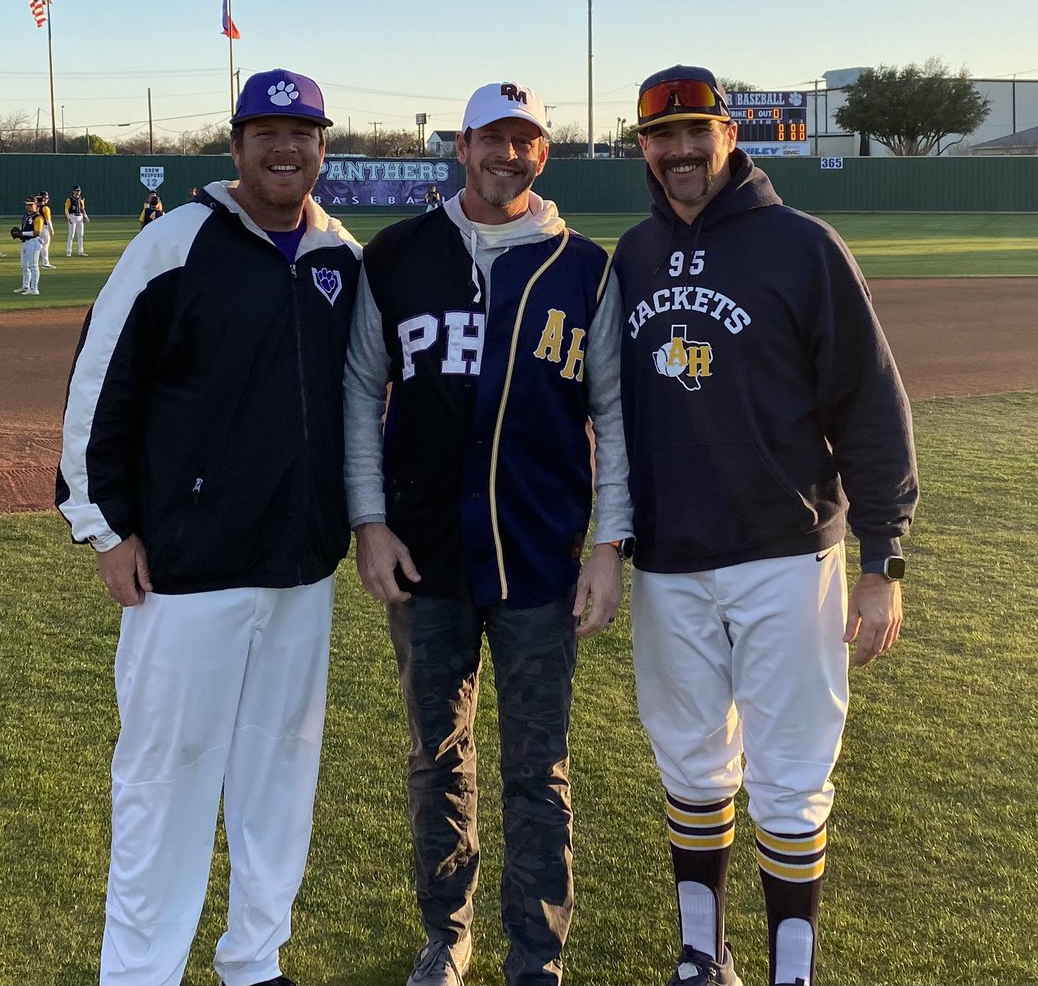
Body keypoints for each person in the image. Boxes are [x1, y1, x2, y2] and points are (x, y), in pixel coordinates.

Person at [612, 65, 918, 986]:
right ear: (643, 148)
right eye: (661, 138)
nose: (679, 153)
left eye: (695, 132)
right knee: (694, 767)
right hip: (669, 564)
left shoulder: (802, 245)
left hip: (790, 556)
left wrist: (883, 560)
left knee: (790, 776)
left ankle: (793, 969)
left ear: (728, 136)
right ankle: (701, 956)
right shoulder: (629, 254)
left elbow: (869, 403)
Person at [56, 66, 361, 986]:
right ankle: (141, 972)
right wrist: (105, 529)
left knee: (280, 776)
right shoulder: (174, 243)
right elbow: (97, 385)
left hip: (300, 571)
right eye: (265, 131)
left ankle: (254, 960)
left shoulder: (340, 257)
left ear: (321, 148)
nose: (284, 147)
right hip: (186, 573)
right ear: (236, 148)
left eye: (301, 132)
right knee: (165, 782)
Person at [344, 79, 631, 986]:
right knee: (436, 757)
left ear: (542, 154)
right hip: (424, 553)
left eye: (525, 141)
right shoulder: (397, 256)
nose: (508, 155)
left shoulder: (586, 267)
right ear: (458, 147)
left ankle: (536, 956)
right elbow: (360, 393)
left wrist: (608, 546)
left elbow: (615, 416)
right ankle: (447, 932)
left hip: (539, 554)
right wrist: (369, 522)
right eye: (490, 139)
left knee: (538, 767)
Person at [13, 195, 44, 295]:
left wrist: (22, 233)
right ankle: (26, 286)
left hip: (34, 242)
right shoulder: (26, 216)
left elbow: (37, 232)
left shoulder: (38, 217)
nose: (28, 206)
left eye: (30, 205)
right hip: (25, 242)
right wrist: (19, 233)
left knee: (33, 266)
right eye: (27, 205)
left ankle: (35, 288)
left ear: (36, 205)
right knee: (24, 266)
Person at [64, 184, 90, 256]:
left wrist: (86, 216)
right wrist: (68, 218)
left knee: (80, 235)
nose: (78, 192)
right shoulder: (70, 199)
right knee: (71, 235)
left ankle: (80, 251)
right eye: (76, 190)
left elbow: (82, 209)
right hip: (73, 216)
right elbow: (66, 209)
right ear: (73, 191)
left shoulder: (81, 200)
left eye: (79, 190)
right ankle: (69, 251)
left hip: (80, 217)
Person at [38, 190, 56, 268]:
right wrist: (51, 229)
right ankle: (45, 263)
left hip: (37, 228)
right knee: (45, 246)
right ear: (44, 198)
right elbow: (48, 220)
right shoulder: (45, 208)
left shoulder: (36, 207)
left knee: (37, 246)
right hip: (44, 228)